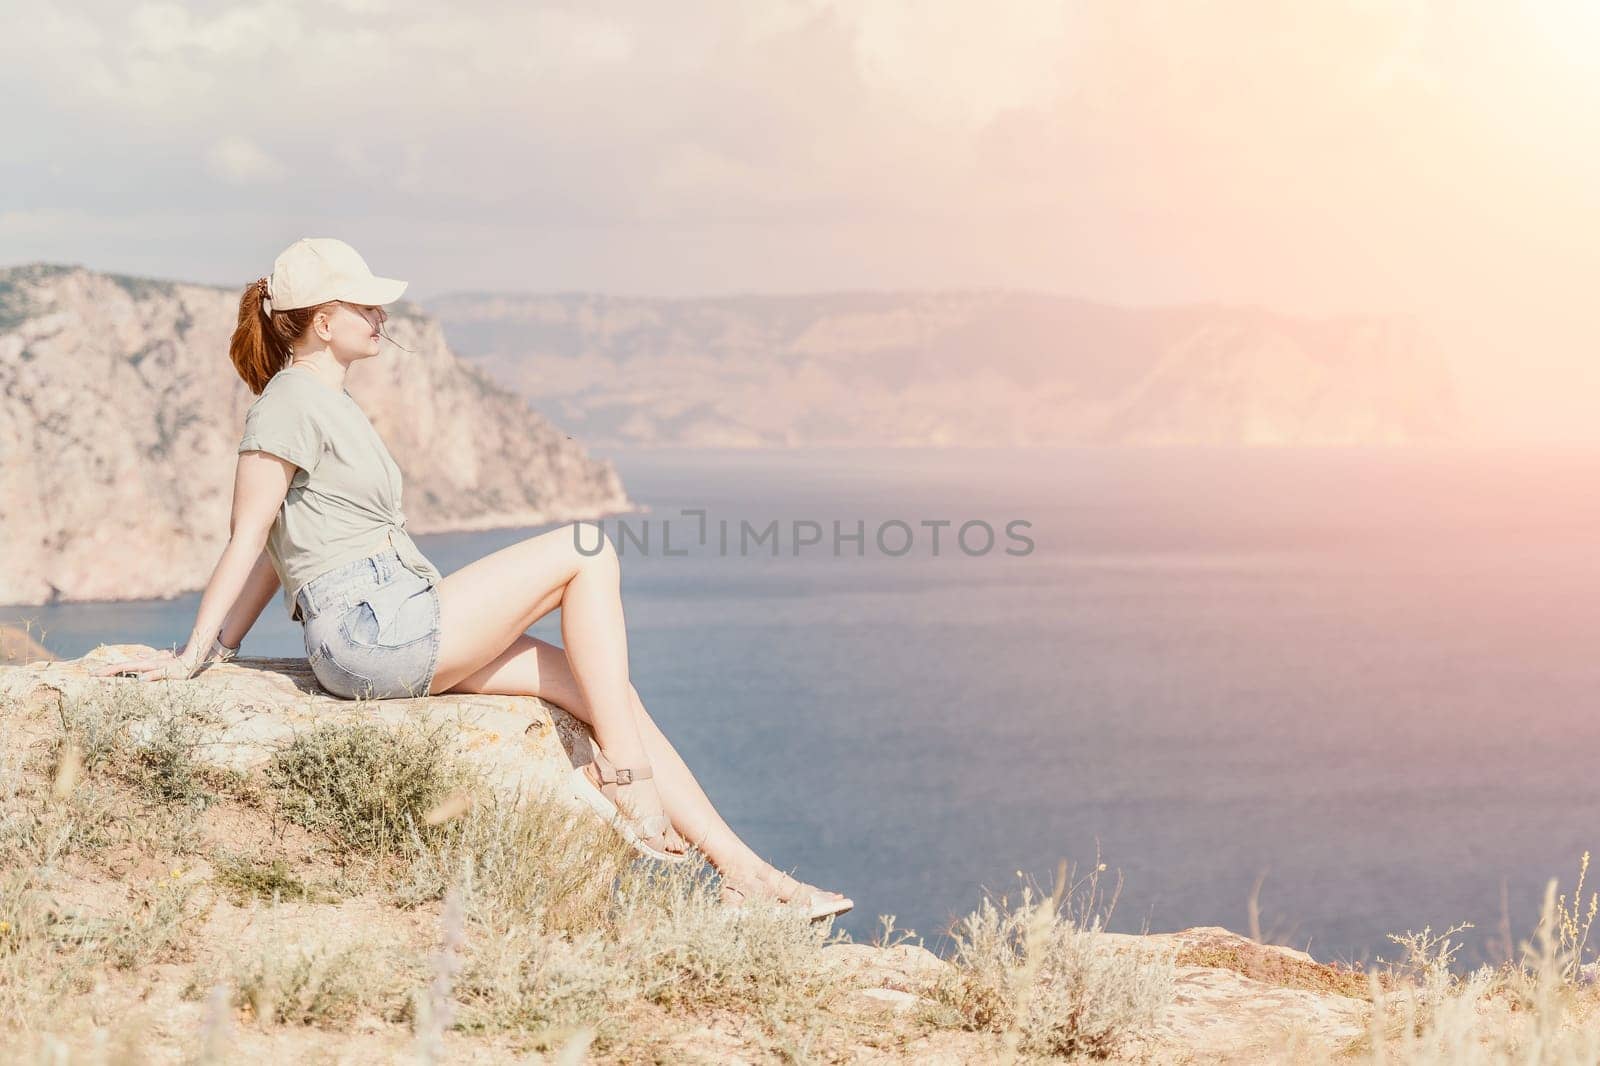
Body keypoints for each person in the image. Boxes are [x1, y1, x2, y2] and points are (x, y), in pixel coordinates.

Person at [92, 237, 851, 920]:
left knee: (604, 691)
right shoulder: (289, 403)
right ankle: (627, 777)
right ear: (322, 321)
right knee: (586, 549)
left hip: (387, 618)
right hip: (373, 630)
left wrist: (220, 649)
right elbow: (247, 536)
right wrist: (195, 654)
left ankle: (746, 874)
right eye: (364, 304)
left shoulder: (325, 403)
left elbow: (274, 553)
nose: (380, 314)